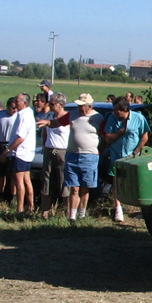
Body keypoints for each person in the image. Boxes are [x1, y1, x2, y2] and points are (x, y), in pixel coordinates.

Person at [48, 92, 103, 223]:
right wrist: (47, 122)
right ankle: (72, 216)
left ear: (89, 106)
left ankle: (82, 214)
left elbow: (104, 136)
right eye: (78, 106)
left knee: (85, 188)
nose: (79, 108)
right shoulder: (72, 115)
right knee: (74, 187)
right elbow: (57, 122)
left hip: (89, 156)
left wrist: (100, 151)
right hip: (72, 155)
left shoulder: (98, 118)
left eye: (81, 106)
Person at [101, 97, 149, 222]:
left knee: (135, 183)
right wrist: (120, 131)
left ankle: (141, 209)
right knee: (117, 183)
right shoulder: (112, 119)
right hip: (117, 156)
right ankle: (118, 209)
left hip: (132, 157)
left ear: (125, 109)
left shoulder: (138, 118)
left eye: (117, 110)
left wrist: (136, 151)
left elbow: (144, 136)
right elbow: (107, 138)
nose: (114, 112)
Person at [35, 92, 70, 219]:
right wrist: (45, 146)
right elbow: (45, 132)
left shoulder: (67, 117)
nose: (50, 105)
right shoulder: (49, 115)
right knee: (46, 179)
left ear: (61, 105)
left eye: (52, 103)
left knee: (63, 180)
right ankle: (45, 210)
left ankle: (66, 210)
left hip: (62, 151)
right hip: (49, 149)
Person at [3, 92, 37, 215]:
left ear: (24, 103)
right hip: (26, 153)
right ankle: (31, 206)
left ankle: (20, 208)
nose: (15, 102)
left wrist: (8, 150)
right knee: (27, 180)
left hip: (20, 153)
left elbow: (20, 137)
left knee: (19, 182)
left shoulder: (24, 116)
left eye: (17, 101)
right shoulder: (26, 113)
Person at [0, 96, 17, 201]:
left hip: (13, 146)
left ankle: (12, 197)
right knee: (0, 173)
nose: (14, 110)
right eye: (12, 107)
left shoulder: (18, 116)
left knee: (12, 175)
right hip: (1, 145)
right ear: (7, 106)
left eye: (16, 107)